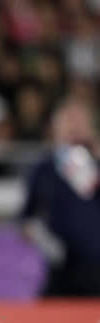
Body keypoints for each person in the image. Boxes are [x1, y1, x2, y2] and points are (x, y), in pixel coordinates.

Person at [19, 98, 100, 296]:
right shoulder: (44, 168)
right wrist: (36, 233)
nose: (74, 127)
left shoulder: (96, 163)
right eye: (68, 121)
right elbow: (26, 216)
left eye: (79, 121)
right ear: (55, 128)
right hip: (61, 269)